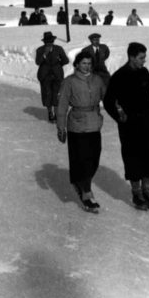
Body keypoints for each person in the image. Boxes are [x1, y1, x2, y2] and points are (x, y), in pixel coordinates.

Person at [103, 42, 149, 210]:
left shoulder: (144, 73)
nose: (144, 61)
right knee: (133, 159)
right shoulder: (119, 76)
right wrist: (120, 117)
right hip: (130, 125)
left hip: (147, 123)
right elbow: (107, 101)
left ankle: (146, 191)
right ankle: (136, 194)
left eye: (145, 58)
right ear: (132, 57)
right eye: (141, 58)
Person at [55, 49, 108, 213]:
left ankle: (81, 183)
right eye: (84, 63)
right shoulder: (69, 82)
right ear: (77, 64)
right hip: (77, 125)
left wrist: (120, 109)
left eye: (89, 63)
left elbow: (108, 98)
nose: (87, 66)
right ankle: (86, 192)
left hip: (94, 123)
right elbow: (62, 106)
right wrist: (61, 127)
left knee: (94, 159)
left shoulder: (97, 80)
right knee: (81, 160)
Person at [35, 31, 71, 123]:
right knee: (47, 94)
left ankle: (56, 113)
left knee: (56, 94)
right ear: (44, 42)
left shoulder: (59, 49)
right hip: (45, 75)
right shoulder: (40, 50)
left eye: (50, 42)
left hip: (57, 75)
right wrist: (44, 54)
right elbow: (38, 62)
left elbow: (66, 60)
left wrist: (57, 65)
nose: (49, 44)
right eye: (47, 42)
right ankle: (50, 113)